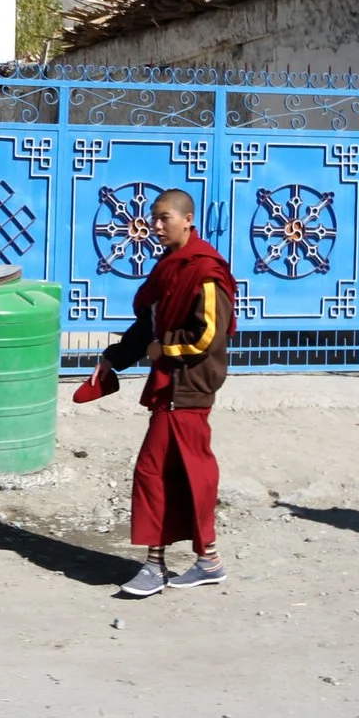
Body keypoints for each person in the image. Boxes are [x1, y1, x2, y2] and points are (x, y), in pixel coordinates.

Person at [77, 188, 237, 597]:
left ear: (188, 219)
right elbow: (150, 324)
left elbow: (209, 338)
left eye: (164, 217)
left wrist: (163, 350)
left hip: (188, 386)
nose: (156, 225)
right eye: (154, 217)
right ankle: (207, 560)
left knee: (157, 472)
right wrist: (115, 357)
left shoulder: (204, 271)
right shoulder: (170, 267)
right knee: (178, 473)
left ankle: (157, 566)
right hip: (170, 384)